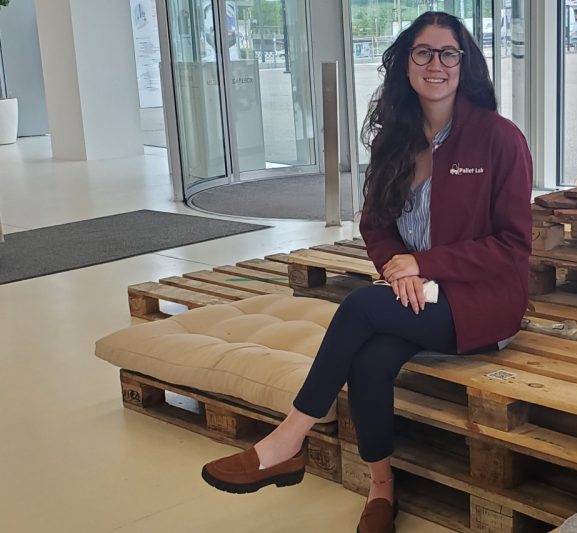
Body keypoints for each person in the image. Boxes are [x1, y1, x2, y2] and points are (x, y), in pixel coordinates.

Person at [200, 11, 532, 533]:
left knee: (357, 306)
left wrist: (423, 263)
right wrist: (399, 271)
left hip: (482, 301)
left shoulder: (499, 139)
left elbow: (513, 246)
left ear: (465, 66)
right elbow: (375, 224)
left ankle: (287, 440)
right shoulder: (392, 140)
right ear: (406, 64)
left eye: (449, 53)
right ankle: (382, 490)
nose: (436, 64)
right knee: (371, 361)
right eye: (423, 52)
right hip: (417, 292)